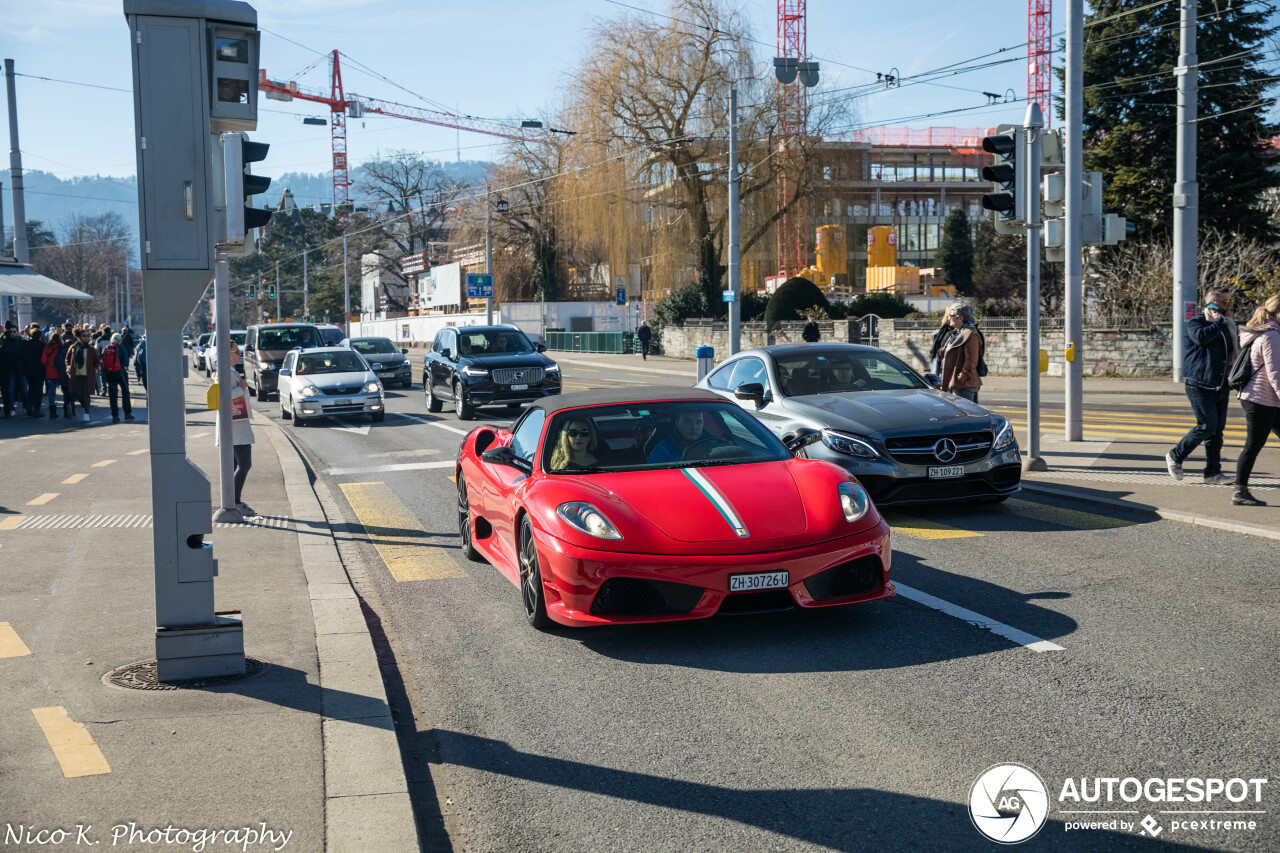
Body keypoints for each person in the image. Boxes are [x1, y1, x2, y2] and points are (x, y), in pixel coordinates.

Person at [1166, 289, 1238, 485]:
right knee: (1207, 426)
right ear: (1214, 303)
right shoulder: (1197, 322)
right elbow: (1202, 338)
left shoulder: (1227, 325)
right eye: (1226, 301)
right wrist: (1219, 321)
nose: (1230, 304)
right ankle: (1175, 455)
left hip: (1220, 384)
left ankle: (1213, 473)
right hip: (1199, 383)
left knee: (1216, 432)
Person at [1231, 293, 1280, 507]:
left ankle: (1240, 490)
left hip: (1265, 398)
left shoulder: (1269, 332)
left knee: (1253, 445)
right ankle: (1240, 491)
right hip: (1260, 398)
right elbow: (1275, 373)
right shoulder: (1272, 336)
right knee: (1253, 445)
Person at [216, 347, 256, 516]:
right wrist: (243, 388)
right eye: (237, 351)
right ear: (228, 353)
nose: (240, 354)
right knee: (244, 464)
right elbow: (222, 396)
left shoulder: (229, 371)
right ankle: (233, 501)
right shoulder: (224, 373)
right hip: (234, 425)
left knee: (233, 465)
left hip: (234, 424)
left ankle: (233, 500)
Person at [939, 302, 982, 403]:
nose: (948, 318)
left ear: (960, 318)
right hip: (953, 383)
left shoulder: (970, 334)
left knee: (965, 415)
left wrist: (960, 379)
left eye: (951, 315)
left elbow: (971, 361)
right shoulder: (955, 334)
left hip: (963, 386)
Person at [65, 326, 100, 423]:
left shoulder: (91, 349)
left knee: (86, 394)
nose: (86, 338)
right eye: (84, 336)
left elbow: (97, 361)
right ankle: (84, 406)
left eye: (87, 336)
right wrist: (68, 369)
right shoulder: (73, 348)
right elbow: (67, 360)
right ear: (78, 337)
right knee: (79, 394)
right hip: (76, 375)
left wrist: (95, 369)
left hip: (87, 375)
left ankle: (86, 413)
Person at [101, 333, 134, 423]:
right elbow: (126, 362)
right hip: (120, 372)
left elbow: (102, 359)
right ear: (119, 340)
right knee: (125, 392)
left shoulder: (106, 348)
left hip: (109, 373)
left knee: (113, 395)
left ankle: (115, 416)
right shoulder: (122, 348)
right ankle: (127, 414)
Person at [22, 326, 47, 416]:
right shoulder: (42, 346)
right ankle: (37, 409)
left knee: (31, 389)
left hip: (29, 370)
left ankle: (29, 405)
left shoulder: (26, 345)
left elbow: (23, 357)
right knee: (39, 391)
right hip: (40, 370)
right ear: (40, 336)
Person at [41, 332, 64, 418]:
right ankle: (68, 406)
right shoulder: (60, 348)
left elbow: (43, 361)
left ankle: (52, 411)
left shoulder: (47, 348)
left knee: (52, 393)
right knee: (66, 391)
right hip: (60, 372)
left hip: (50, 372)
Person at [55, 329, 75, 418]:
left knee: (65, 395)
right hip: (72, 378)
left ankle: (66, 408)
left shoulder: (59, 355)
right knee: (72, 395)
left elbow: (56, 364)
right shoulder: (74, 354)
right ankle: (71, 408)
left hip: (62, 378)